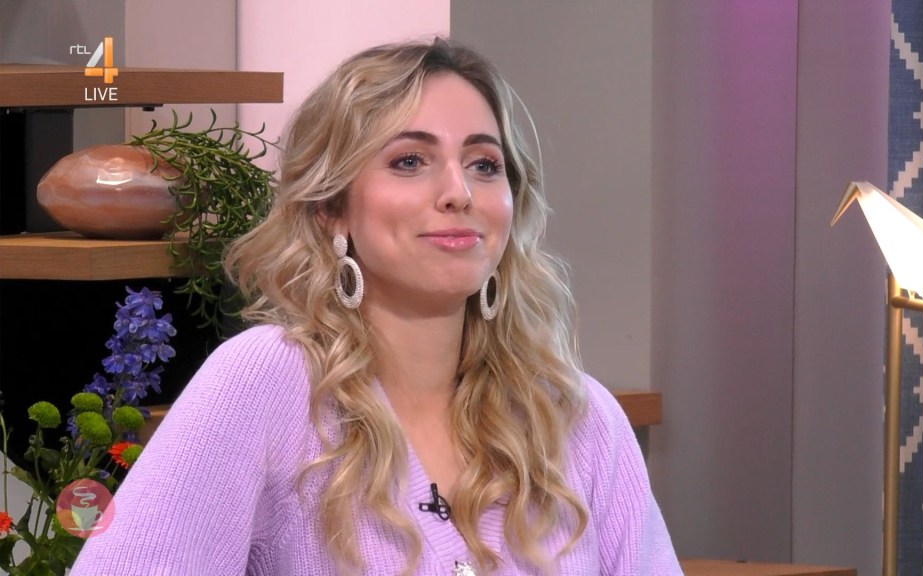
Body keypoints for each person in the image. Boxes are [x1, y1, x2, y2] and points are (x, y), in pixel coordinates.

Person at [69, 37, 682, 576]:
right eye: (409, 161)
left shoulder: (577, 417)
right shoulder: (266, 383)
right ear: (330, 208)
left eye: (484, 164)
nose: (459, 192)